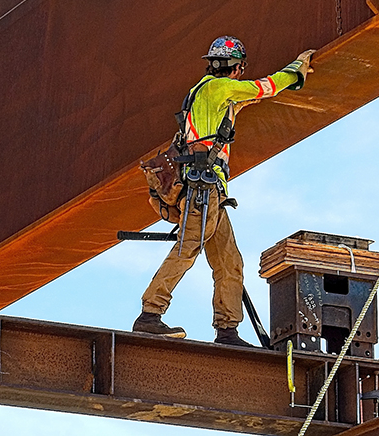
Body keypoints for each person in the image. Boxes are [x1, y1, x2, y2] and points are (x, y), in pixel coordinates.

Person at [133, 36, 315, 346]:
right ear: (236, 68)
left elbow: (245, 101)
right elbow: (264, 87)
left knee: (229, 261)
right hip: (203, 191)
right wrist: (297, 68)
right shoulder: (220, 88)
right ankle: (150, 314)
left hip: (210, 192)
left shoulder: (206, 93)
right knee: (187, 248)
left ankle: (228, 330)